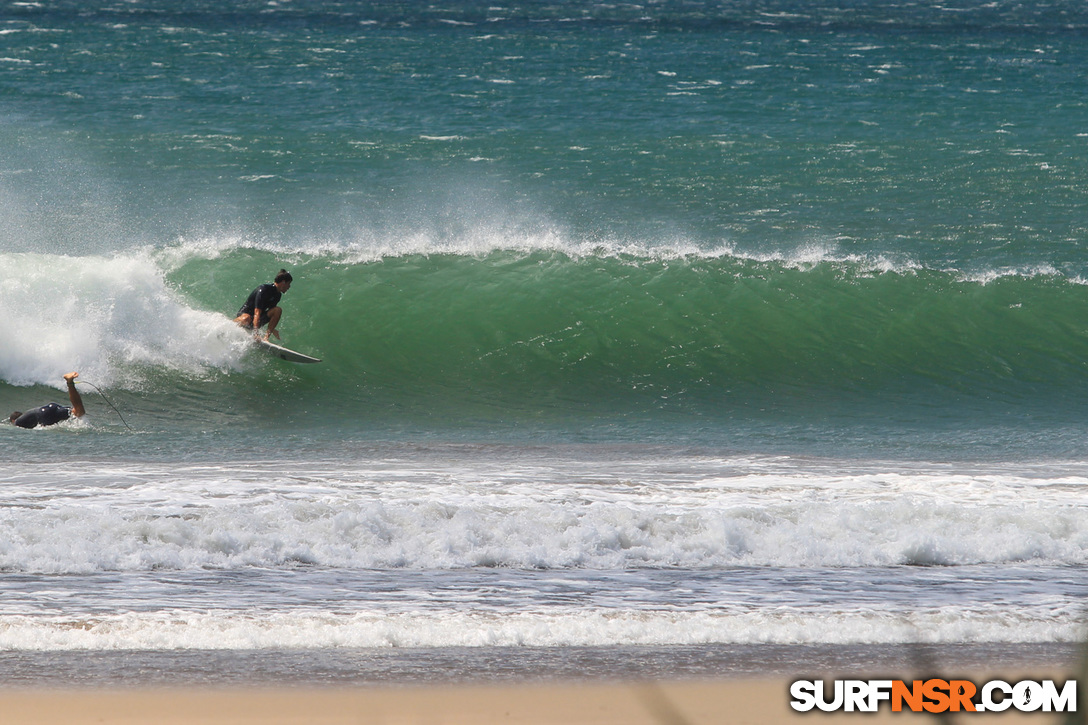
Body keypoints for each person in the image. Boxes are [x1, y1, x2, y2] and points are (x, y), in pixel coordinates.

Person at [9, 372, 86, 429]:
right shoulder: (28, 415)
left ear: (13, 420)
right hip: (52, 407)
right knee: (79, 412)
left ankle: (69, 382)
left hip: (44, 414)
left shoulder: (17, 422)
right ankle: (70, 382)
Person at [234, 269, 293, 340]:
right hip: (245, 316)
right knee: (246, 318)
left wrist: (272, 329)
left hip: (255, 321)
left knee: (277, 310)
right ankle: (230, 325)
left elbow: (272, 314)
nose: (289, 287)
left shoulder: (278, 295)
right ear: (283, 282)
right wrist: (256, 333)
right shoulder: (264, 289)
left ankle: (266, 338)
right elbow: (257, 312)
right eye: (288, 284)